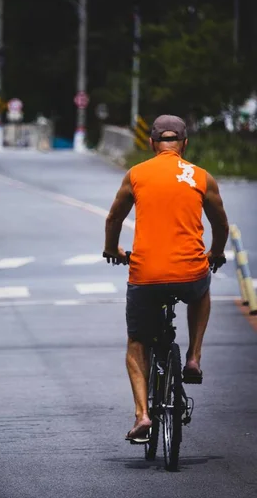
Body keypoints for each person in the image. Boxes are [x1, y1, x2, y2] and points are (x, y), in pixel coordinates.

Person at [103, 114, 229, 444]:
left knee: (136, 343)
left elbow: (114, 217)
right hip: (189, 272)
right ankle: (193, 357)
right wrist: (215, 253)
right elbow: (221, 226)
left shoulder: (137, 174)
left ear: (151, 142)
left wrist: (111, 249)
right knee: (201, 289)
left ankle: (142, 415)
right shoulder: (201, 177)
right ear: (184, 144)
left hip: (145, 277)